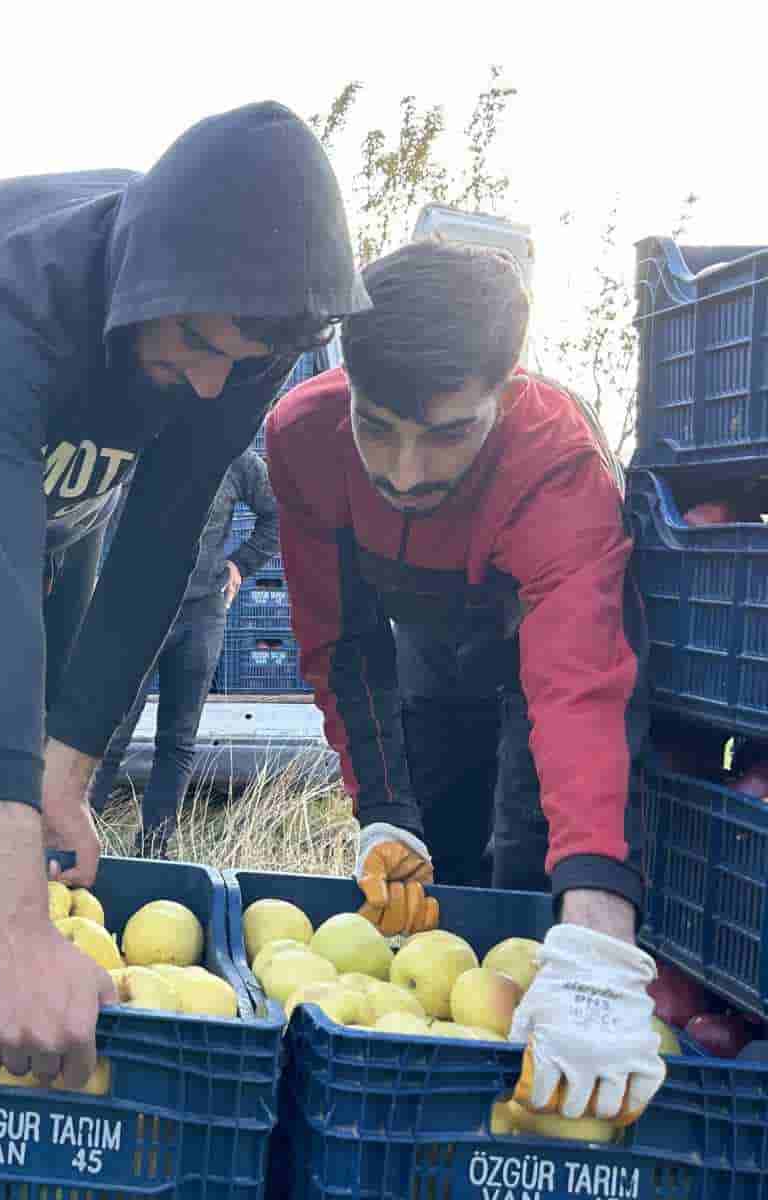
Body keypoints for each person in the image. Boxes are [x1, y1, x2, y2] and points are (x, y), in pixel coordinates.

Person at [0, 100, 366, 1089]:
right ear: (148, 283)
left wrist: (70, 770)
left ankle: (10, 918)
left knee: (47, 739)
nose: (215, 389)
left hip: (73, 493)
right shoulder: (12, 299)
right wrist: (8, 924)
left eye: (242, 362)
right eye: (198, 345)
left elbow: (159, 541)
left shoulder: (235, 332)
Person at [264, 239, 663, 1126]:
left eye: (447, 433)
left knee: (529, 872)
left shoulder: (556, 463)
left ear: (506, 391)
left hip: (538, 655)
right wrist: (381, 808)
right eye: (378, 426)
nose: (404, 474)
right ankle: (439, 1113)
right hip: (429, 652)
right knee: (429, 872)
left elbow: (576, 687)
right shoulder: (304, 436)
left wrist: (596, 922)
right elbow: (341, 641)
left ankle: (527, 1113)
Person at [87, 449, 280, 856]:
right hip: (133, 611)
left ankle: (153, 851)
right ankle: (77, 841)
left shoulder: (236, 456)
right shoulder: (138, 437)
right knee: (108, 732)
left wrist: (240, 564)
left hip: (201, 615)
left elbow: (277, 514)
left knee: (177, 740)